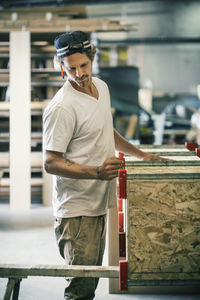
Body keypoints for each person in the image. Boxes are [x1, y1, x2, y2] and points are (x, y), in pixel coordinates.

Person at [43, 30, 167, 300]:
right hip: (76, 211)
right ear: (61, 66)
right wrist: (96, 172)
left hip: (98, 203)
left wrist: (140, 155)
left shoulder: (102, 88)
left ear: (92, 57)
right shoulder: (62, 107)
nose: (79, 73)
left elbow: (105, 132)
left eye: (83, 65)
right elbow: (51, 162)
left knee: (90, 283)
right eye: (71, 67)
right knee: (81, 290)